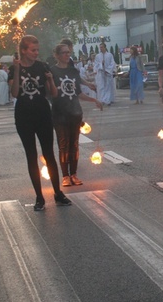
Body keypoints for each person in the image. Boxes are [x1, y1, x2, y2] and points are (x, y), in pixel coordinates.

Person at [9, 35, 72, 210]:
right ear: (23, 50)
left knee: (49, 154)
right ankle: (39, 197)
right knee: (31, 155)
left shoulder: (42, 66)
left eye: (37, 50)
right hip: (24, 116)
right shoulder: (14, 67)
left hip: (43, 114)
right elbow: (15, 93)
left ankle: (58, 193)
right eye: (32, 50)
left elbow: (54, 93)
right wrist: (16, 70)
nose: (36, 53)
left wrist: (51, 80)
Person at [51, 42, 103, 187]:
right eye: (64, 53)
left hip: (75, 113)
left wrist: (94, 100)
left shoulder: (73, 71)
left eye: (68, 52)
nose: (67, 55)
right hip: (59, 113)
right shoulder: (52, 71)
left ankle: (74, 174)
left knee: (74, 144)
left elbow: (78, 93)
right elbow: (51, 93)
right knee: (63, 145)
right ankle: (65, 176)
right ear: (57, 55)